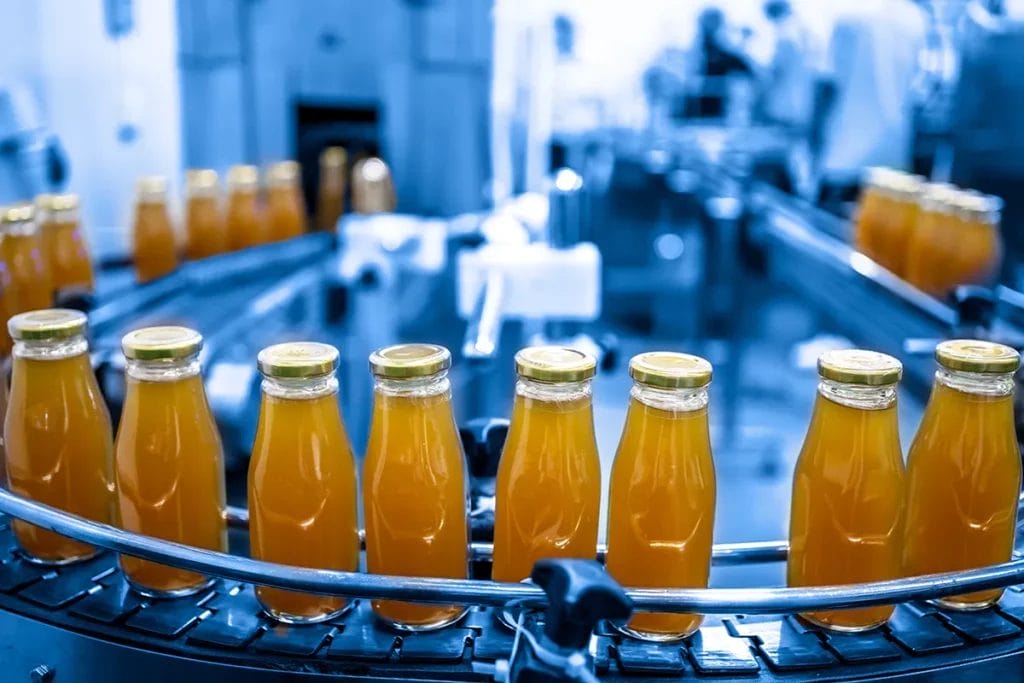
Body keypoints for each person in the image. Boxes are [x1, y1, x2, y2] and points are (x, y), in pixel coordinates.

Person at [812, 0, 928, 206]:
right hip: (894, 165)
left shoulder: (848, 13)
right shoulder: (916, 19)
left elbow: (827, 86)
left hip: (843, 161)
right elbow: (917, 95)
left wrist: (812, 142)